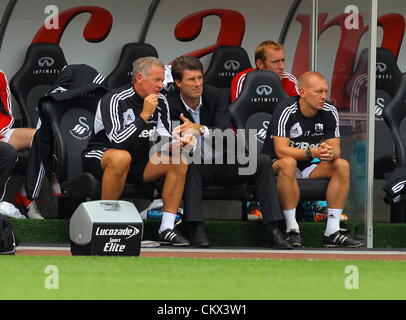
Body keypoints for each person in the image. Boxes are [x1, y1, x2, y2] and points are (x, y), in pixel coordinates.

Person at [167, 55, 292, 249]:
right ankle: (195, 227)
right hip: (195, 164)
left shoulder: (216, 95)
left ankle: (273, 228)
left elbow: (224, 133)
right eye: (191, 79)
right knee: (189, 163)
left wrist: (199, 128)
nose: (197, 84)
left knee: (262, 162)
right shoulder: (170, 103)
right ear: (178, 82)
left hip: (224, 160)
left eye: (200, 78)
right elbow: (169, 140)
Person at [81, 57, 196, 246]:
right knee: (121, 157)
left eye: (162, 81)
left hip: (138, 159)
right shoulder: (114, 99)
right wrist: (143, 115)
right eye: (157, 80)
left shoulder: (161, 102)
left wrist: (177, 144)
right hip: (102, 154)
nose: (161, 85)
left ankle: (166, 227)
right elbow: (117, 141)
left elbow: (162, 137)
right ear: (140, 78)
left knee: (178, 160)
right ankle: (106, 223)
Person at [265, 71, 363, 248]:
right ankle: (292, 229)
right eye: (318, 92)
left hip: (310, 165)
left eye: (325, 91)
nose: (323, 97)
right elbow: (280, 151)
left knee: (342, 165)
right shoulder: (286, 109)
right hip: (277, 165)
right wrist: (314, 152)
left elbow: (336, 149)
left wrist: (328, 153)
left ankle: (332, 232)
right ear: (302, 92)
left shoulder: (329, 110)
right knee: (289, 163)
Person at [0, 70, 43, 219]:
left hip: (0, 132)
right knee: (6, 151)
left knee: (40, 136)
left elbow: (7, 114)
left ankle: (26, 196)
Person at [230, 40, 299, 102]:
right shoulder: (243, 79)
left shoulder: (288, 80)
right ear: (260, 64)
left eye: (283, 60)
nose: (282, 66)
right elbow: (237, 112)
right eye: (275, 62)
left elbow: (295, 111)